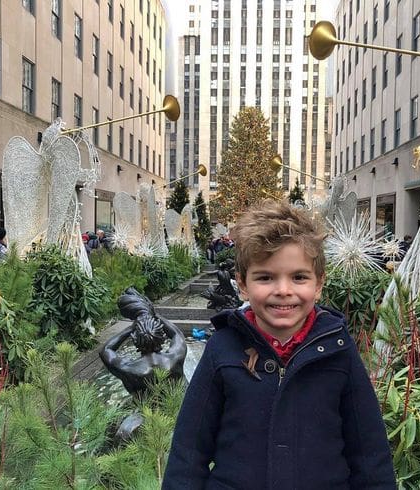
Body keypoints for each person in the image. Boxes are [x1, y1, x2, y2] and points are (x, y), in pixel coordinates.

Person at [163, 200, 396, 490]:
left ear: (319, 283)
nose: (283, 291)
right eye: (266, 277)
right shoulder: (222, 348)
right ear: (243, 284)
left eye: (299, 277)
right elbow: (189, 451)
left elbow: (370, 453)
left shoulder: (339, 350)